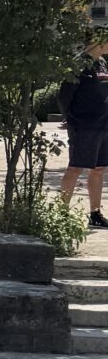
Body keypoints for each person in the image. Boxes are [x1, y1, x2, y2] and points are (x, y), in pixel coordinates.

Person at [57, 54, 108, 229]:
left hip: (103, 124)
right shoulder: (78, 64)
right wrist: (70, 119)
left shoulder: (101, 63)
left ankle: (95, 214)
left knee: (99, 169)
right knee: (75, 168)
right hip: (83, 124)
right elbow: (64, 96)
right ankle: (61, 214)